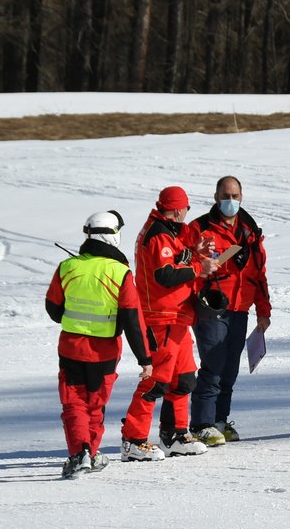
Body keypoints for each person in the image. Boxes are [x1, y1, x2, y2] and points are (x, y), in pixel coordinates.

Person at [45, 211, 153, 479]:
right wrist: (145, 359)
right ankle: (88, 453)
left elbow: (53, 308)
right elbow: (132, 319)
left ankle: (81, 453)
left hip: (71, 347)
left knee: (74, 404)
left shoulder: (67, 267)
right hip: (104, 353)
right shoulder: (120, 272)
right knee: (94, 406)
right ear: (113, 234)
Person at [119, 186, 218, 460]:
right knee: (156, 382)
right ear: (177, 209)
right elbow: (164, 274)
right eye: (186, 208)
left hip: (177, 317)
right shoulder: (158, 234)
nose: (187, 214)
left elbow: (174, 257)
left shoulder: (167, 231)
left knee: (184, 379)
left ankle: (174, 435)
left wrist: (193, 252)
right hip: (160, 318)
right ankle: (134, 439)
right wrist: (200, 267)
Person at [189, 175, 272, 445]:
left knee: (230, 368)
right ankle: (202, 423)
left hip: (240, 307)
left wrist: (264, 309)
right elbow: (183, 267)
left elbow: (259, 272)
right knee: (213, 364)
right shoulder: (200, 228)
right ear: (216, 197)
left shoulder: (250, 230)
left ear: (242, 197)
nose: (231, 201)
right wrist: (203, 268)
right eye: (226, 196)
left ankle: (220, 420)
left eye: (235, 196)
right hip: (212, 307)